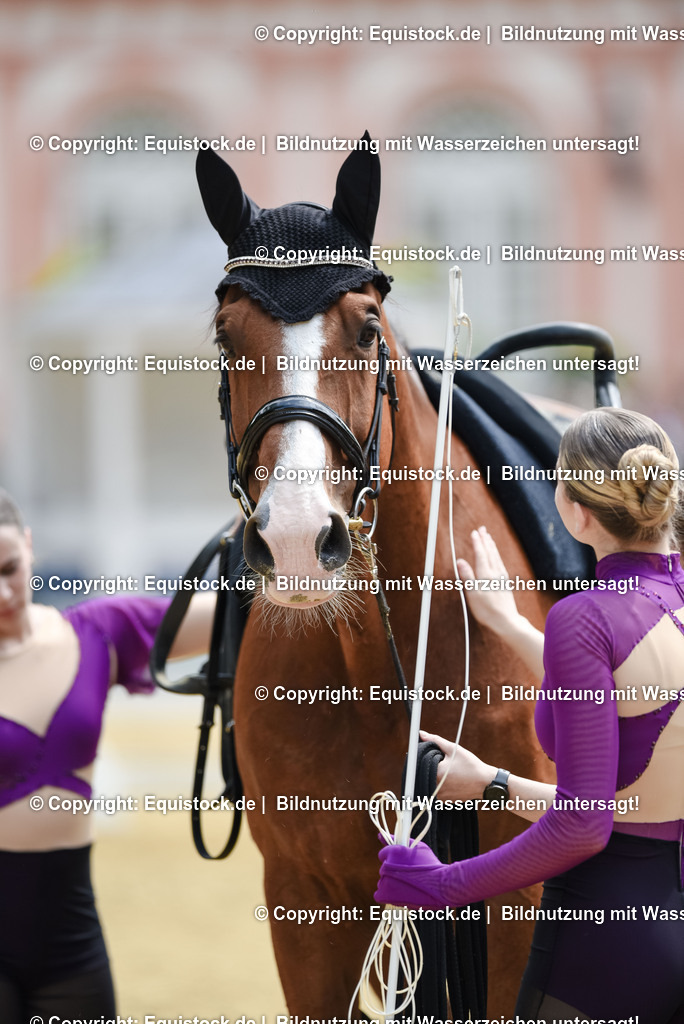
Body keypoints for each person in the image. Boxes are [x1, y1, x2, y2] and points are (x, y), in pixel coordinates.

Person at [375, 407, 684, 1022]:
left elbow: (584, 825)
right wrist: (511, 626)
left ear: (574, 510)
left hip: (604, 938)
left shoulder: (585, 617)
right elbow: (638, 709)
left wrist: (442, 885)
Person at [0, 489, 214, 1022]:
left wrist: (277, 525)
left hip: (71, 939)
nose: (2, 592)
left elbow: (239, 612)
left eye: (8, 567)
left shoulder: (99, 631)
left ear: (29, 546)